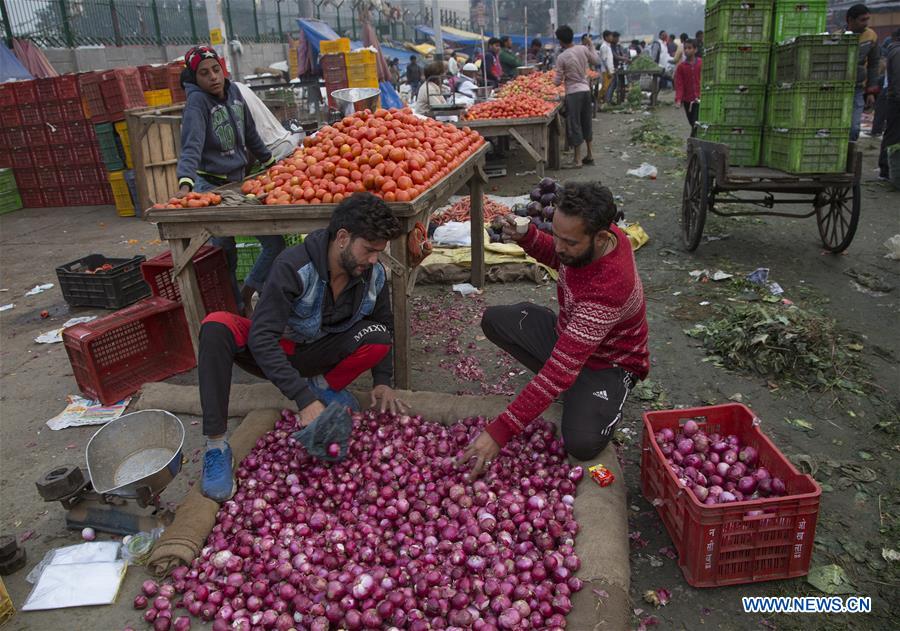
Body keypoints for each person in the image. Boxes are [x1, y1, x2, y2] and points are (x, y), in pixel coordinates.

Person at [198, 193, 407, 501]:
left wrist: (383, 381)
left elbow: (383, 322)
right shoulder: (294, 266)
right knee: (216, 326)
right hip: (280, 350)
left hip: (321, 353)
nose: (374, 260)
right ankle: (216, 447)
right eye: (369, 250)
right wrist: (302, 399)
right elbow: (262, 338)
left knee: (378, 337)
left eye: (379, 252)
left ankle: (323, 388)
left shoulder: (371, 274)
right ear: (343, 238)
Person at [457, 182, 649, 476]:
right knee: (495, 320)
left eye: (569, 242)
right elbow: (558, 258)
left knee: (582, 443)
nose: (560, 247)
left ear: (601, 237)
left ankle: (591, 392)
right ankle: (571, 386)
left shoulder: (609, 287)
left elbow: (558, 370)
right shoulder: (588, 243)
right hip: (571, 334)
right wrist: (529, 236)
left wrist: (499, 432)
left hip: (608, 363)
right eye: (556, 235)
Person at [176, 46, 283, 317]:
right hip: (210, 188)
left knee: (275, 243)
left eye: (215, 70)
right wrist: (185, 187)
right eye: (204, 73)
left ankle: (248, 291)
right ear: (194, 78)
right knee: (225, 256)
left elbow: (251, 134)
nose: (213, 77)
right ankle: (236, 312)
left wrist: (273, 166)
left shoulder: (234, 92)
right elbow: (191, 146)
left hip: (240, 185)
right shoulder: (197, 104)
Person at [554, 25, 599, 168]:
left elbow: (557, 81)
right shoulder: (583, 49)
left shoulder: (562, 57)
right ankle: (590, 155)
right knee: (586, 122)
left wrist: (552, 82)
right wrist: (590, 44)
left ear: (560, 41)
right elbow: (596, 61)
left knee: (575, 124)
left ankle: (577, 160)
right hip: (586, 91)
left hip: (573, 93)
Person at [846, 4, 882, 141]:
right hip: (838, 89)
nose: (866, 23)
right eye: (862, 20)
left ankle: (851, 154)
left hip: (858, 88)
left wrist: (871, 92)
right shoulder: (838, 37)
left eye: (867, 19)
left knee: (854, 128)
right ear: (850, 20)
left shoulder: (871, 36)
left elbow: (874, 65)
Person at [878, 28, 900, 181]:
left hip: (894, 97)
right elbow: (898, 79)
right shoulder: (897, 52)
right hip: (896, 100)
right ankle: (886, 170)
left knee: (892, 134)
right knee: (893, 135)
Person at [674, 39, 702, 135]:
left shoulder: (701, 63)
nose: (686, 50)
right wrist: (678, 99)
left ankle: (691, 144)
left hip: (699, 99)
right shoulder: (681, 67)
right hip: (687, 100)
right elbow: (679, 84)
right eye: (685, 48)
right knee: (692, 122)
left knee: (695, 123)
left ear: (695, 49)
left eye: (689, 48)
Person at [598, 31, 615, 104]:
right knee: (605, 87)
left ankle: (605, 101)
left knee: (608, 87)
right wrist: (608, 71)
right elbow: (604, 60)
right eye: (610, 36)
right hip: (606, 71)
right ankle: (598, 100)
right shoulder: (604, 46)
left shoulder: (608, 46)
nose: (612, 38)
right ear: (606, 37)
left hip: (610, 70)